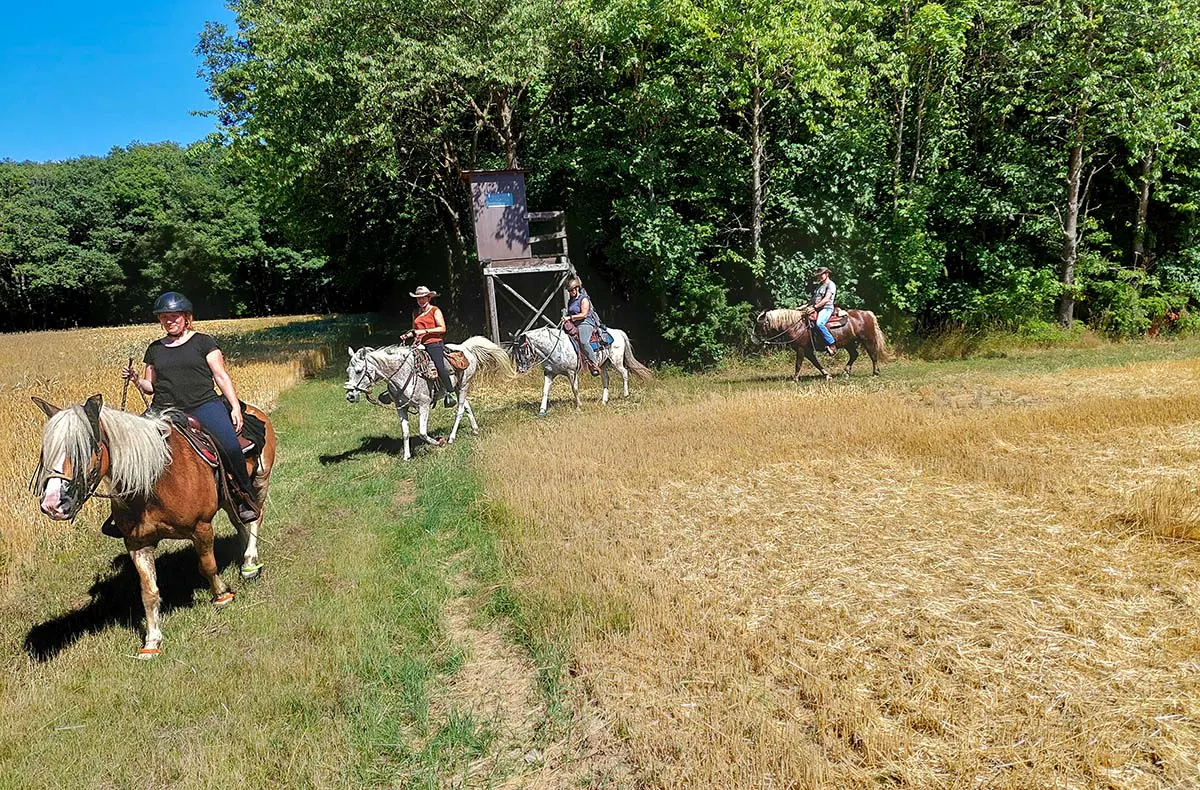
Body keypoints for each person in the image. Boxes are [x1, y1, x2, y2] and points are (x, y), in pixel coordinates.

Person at [121, 291, 259, 523]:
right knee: (129, 448)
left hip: (202, 405)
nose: (169, 321)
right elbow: (149, 387)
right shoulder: (155, 349)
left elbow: (221, 376)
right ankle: (125, 510)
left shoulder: (204, 342)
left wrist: (234, 406)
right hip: (163, 408)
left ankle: (243, 497)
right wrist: (135, 378)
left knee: (231, 447)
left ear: (186, 317)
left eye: (175, 316)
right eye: (164, 317)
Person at [400, 285, 457, 407]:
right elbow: (415, 329)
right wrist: (409, 335)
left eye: (423, 298)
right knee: (405, 362)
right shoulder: (415, 313)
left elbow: (442, 328)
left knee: (439, 366)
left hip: (433, 343)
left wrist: (425, 332)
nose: (420, 301)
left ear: (428, 298)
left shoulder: (435, 310)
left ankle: (449, 392)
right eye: (418, 298)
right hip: (419, 344)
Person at [562, 277, 602, 376]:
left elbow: (583, 314)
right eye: (569, 291)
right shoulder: (571, 301)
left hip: (585, 322)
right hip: (574, 323)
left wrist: (570, 317)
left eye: (572, 290)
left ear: (577, 289)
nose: (570, 292)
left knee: (583, 341)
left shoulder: (583, 299)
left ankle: (594, 364)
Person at [809, 267, 837, 356]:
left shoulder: (831, 285)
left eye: (821, 275)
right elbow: (813, 300)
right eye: (818, 275)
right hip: (817, 308)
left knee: (819, 323)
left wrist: (815, 307)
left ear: (827, 274)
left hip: (827, 308)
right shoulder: (819, 286)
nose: (819, 277)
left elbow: (826, 299)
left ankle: (831, 344)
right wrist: (803, 307)